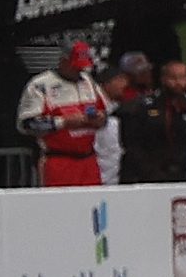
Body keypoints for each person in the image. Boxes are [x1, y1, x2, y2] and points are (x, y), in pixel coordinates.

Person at [14, 42, 112, 187]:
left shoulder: (88, 81)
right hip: (58, 160)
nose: (79, 70)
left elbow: (105, 112)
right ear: (63, 60)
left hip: (89, 161)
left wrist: (101, 119)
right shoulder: (40, 85)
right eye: (75, 66)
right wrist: (63, 122)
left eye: (82, 66)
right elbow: (27, 124)